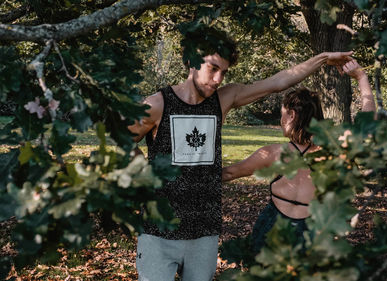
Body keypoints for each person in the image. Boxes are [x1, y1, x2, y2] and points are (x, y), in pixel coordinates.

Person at [127, 27, 355, 281]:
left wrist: (323, 58)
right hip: (159, 232)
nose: (218, 80)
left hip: (205, 230)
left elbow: (278, 82)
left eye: (223, 73)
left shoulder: (223, 99)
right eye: (213, 68)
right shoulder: (158, 104)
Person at [222, 59, 375, 253]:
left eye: (282, 115)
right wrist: (362, 77)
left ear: (292, 115)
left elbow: (228, 174)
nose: (281, 120)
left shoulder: (274, 154)